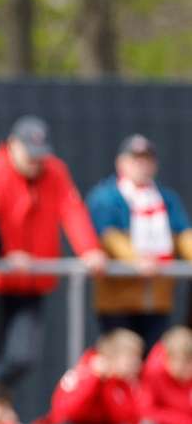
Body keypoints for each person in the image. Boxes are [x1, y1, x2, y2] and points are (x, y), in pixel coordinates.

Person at [0, 116, 105, 388]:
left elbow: (72, 210)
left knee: (22, 357)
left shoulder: (55, 171)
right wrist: (4, 254)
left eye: (40, 154)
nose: (35, 161)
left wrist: (89, 249)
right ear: (12, 145)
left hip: (32, 281)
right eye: (29, 153)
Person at [85, 135, 192, 344]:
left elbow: (184, 235)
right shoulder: (106, 197)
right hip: (118, 301)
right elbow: (109, 237)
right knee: (123, 355)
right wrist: (136, 260)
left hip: (157, 299)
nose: (142, 166)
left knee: (153, 355)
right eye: (135, 160)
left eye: (147, 160)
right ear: (121, 163)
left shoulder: (166, 198)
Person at [45, 328, 144, 424]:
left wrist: (109, 383)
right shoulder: (83, 373)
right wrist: (95, 378)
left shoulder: (124, 383)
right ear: (111, 356)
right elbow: (66, 414)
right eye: (131, 358)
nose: (137, 364)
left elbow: (128, 421)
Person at [142, 326, 192, 424]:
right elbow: (147, 412)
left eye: (188, 362)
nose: (182, 367)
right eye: (178, 361)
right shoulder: (154, 374)